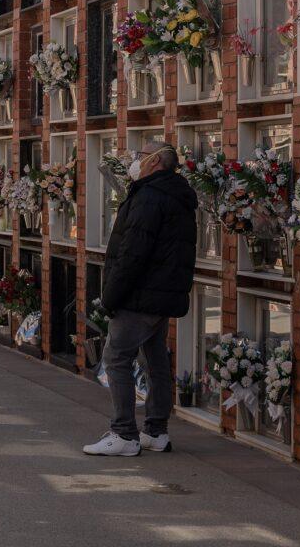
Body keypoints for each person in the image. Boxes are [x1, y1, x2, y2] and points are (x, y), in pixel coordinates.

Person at [84, 141, 196, 457]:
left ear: (156, 161)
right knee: (154, 358)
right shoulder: (175, 194)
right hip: (161, 294)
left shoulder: (149, 196)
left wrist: (110, 297)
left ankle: (124, 434)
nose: (134, 160)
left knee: (116, 358)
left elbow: (133, 252)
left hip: (140, 295)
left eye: (140, 156)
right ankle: (155, 431)